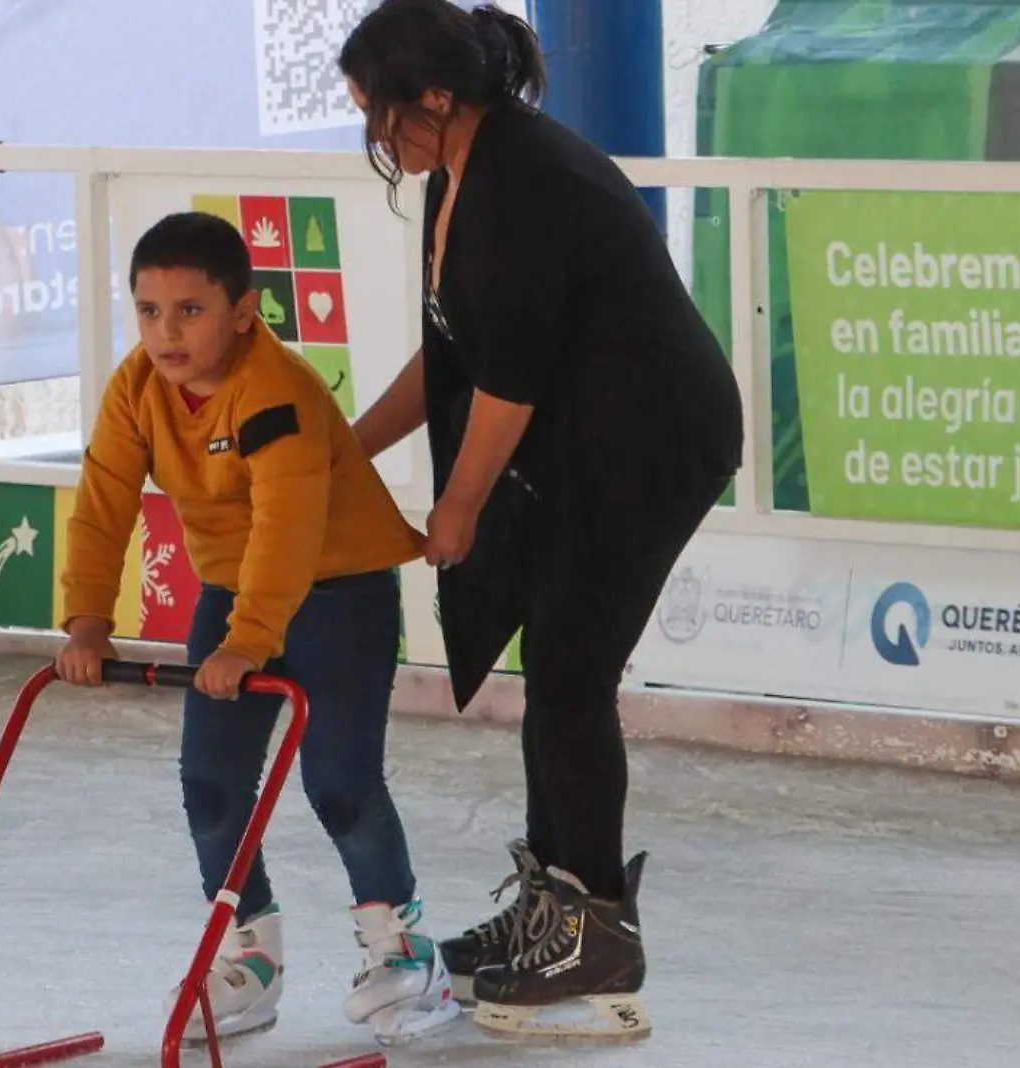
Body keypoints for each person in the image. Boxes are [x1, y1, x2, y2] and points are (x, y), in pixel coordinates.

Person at [338, 0, 746, 1043]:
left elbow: (507, 384)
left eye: (378, 116)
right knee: (552, 671)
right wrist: (343, 451)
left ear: (433, 97)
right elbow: (449, 354)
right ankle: (553, 904)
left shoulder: (523, 181)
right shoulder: (459, 167)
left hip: (652, 443)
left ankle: (598, 940)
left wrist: (457, 508)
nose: (376, 139)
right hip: (588, 436)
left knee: (569, 673)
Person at [54, 212, 461, 1047]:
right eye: (149, 310)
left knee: (340, 785)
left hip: (338, 593)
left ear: (244, 311)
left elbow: (287, 527)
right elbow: (102, 504)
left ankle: (406, 952)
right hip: (236, 597)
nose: (167, 332)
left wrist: (247, 641)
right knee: (210, 786)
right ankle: (251, 956)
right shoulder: (136, 388)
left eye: (190, 311)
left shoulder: (276, 391)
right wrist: (88, 620)